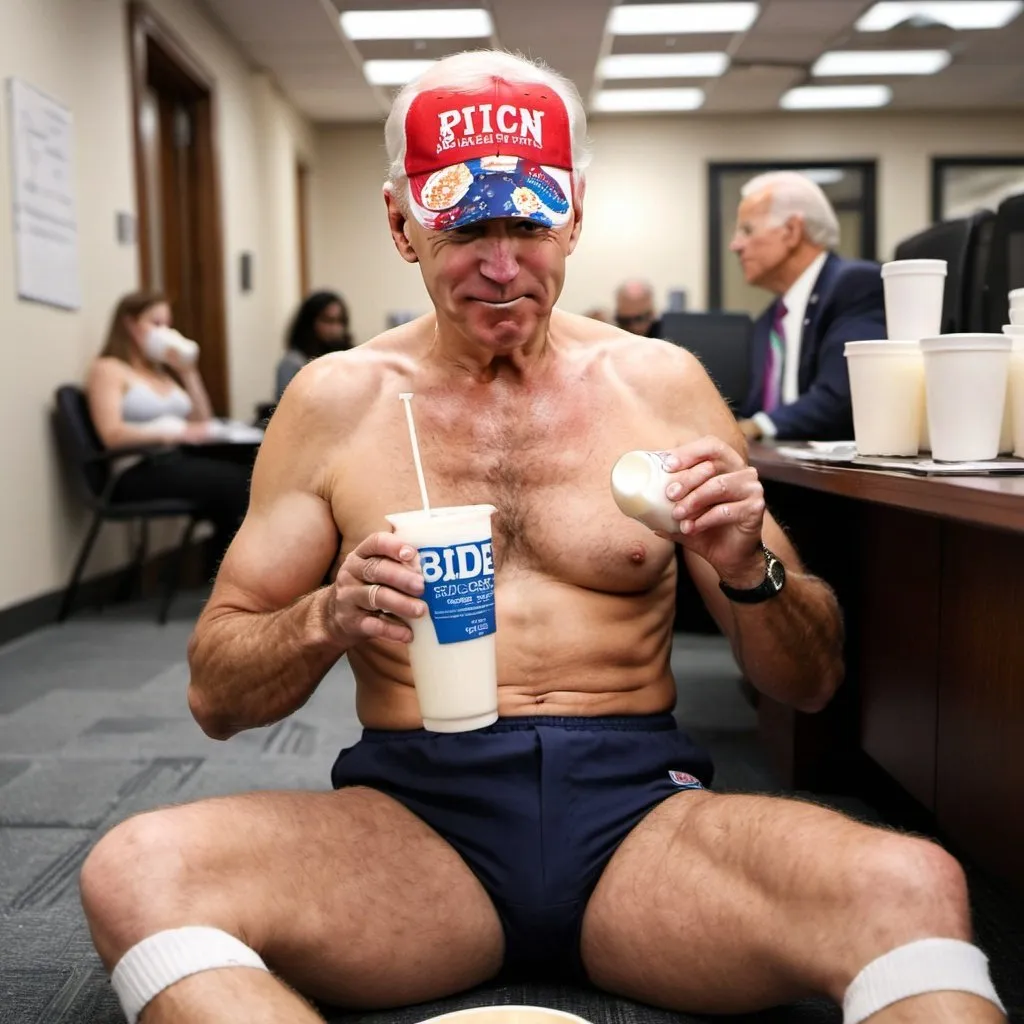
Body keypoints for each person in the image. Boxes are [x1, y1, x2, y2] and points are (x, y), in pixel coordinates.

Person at [79, 53, 1006, 1024]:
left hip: (643, 825)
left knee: (913, 882)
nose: (500, 264)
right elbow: (214, 695)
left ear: (573, 215)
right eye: (465, 228)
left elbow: (808, 681)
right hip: (414, 832)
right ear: (401, 223)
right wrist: (326, 615)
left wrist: (749, 569)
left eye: (525, 223)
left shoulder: (661, 385)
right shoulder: (335, 403)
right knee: (136, 870)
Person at [85, 290, 251, 575]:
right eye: (156, 323)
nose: (165, 332)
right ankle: (233, 578)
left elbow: (202, 419)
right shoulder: (109, 369)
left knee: (253, 467)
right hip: (137, 468)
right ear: (129, 324)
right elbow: (110, 434)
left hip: (176, 461)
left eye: (168, 325)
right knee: (234, 482)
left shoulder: (163, 374)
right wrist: (170, 434)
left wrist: (188, 372)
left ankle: (229, 570)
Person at [732, 171, 886, 442]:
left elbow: (843, 394)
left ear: (792, 231)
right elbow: (754, 407)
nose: (735, 245)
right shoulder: (769, 320)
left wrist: (758, 426)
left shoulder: (855, 286)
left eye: (747, 230)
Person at [275, 290, 351, 399]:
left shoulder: (347, 358)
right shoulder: (293, 363)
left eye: (340, 321)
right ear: (309, 323)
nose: (335, 329)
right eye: (328, 321)